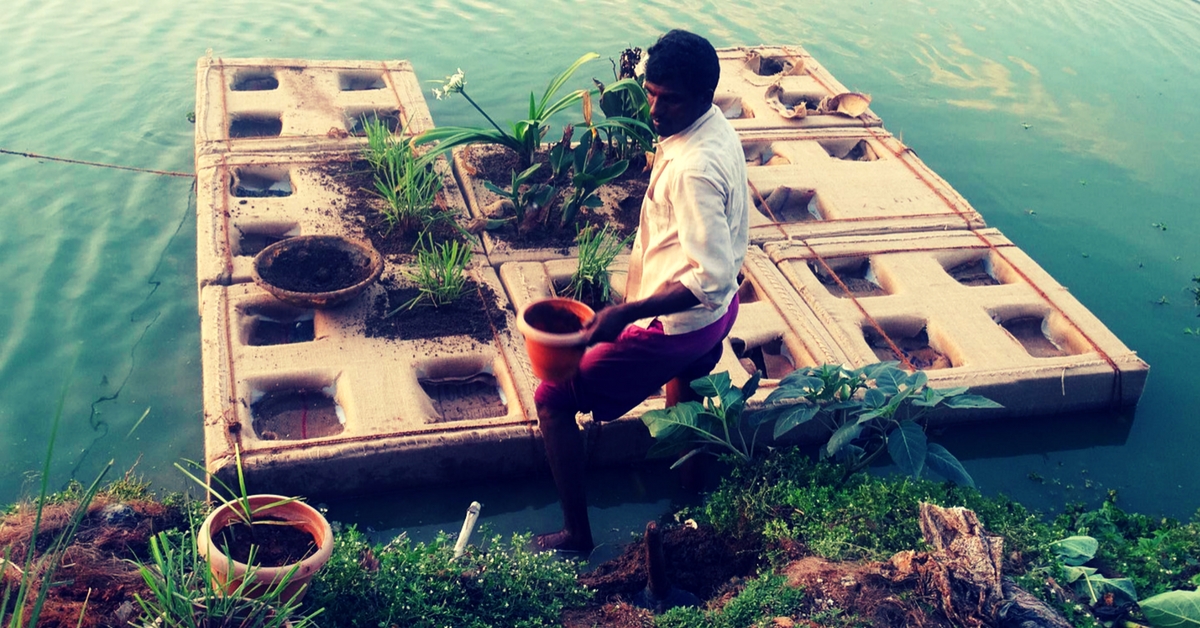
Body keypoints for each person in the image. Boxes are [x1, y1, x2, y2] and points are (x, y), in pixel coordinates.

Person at [534, 29, 751, 553]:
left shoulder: (694, 170)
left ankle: (577, 534)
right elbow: (722, 278)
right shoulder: (713, 126)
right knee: (690, 382)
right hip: (717, 320)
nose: (654, 109)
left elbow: (709, 277)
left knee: (552, 400)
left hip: (677, 324)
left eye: (668, 99)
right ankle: (692, 497)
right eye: (650, 93)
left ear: (702, 95)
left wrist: (626, 312)